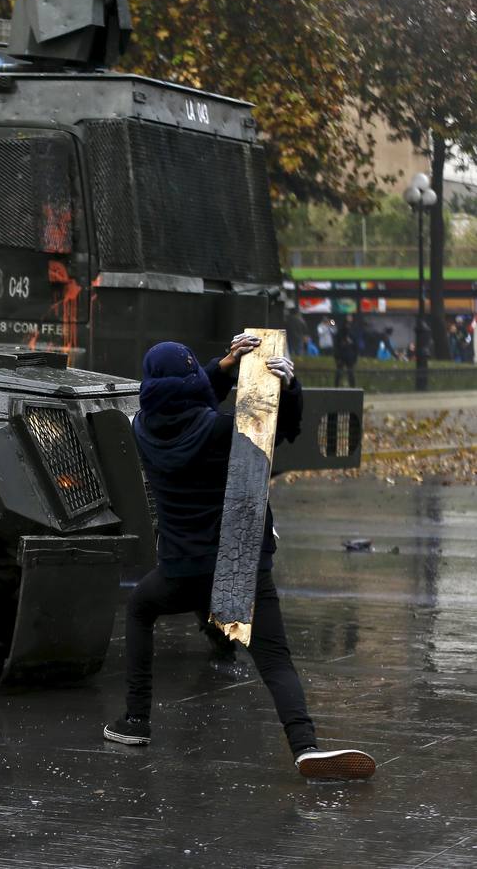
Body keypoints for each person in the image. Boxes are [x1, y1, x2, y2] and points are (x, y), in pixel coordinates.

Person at [103, 333, 376, 781]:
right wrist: (291, 390)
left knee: (140, 609)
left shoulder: (141, 429)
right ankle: (304, 746)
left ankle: (135, 721)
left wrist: (223, 364)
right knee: (274, 659)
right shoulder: (222, 430)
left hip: (181, 572)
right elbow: (280, 431)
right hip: (239, 567)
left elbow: (183, 395)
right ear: (192, 379)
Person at [333, 314, 359, 387]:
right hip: (341, 355)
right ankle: (336, 387)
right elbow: (337, 345)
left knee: (350, 372)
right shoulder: (340, 331)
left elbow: (355, 345)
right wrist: (337, 356)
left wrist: (355, 356)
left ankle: (353, 388)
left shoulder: (353, 331)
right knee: (339, 372)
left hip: (349, 355)